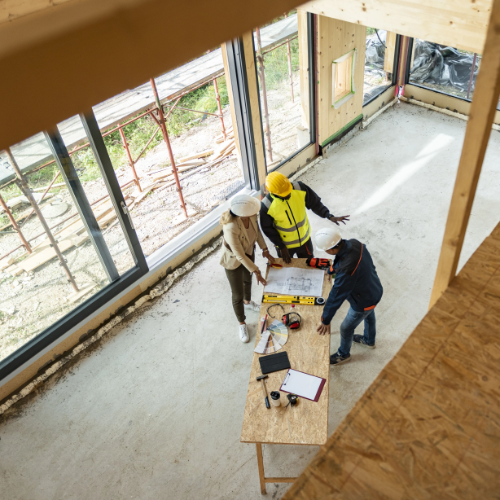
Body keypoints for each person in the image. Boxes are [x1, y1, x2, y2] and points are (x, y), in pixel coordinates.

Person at [315, 227, 383, 365]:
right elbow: (344, 260)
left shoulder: (347, 271)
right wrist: (333, 269)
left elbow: (336, 296)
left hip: (362, 301)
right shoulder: (355, 243)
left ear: (331, 249)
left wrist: (325, 320)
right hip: (374, 290)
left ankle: (343, 354)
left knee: (346, 328)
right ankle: (369, 340)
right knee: (369, 315)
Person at [220, 194, 275, 343]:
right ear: (242, 213)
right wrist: (257, 271)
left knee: (247, 280)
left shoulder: (251, 216)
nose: (255, 213)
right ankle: (242, 323)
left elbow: (257, 234)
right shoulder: (230, 227)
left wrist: (265, 249)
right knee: (237, 293)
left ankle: (248, 302)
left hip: (248, 252)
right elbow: (239, 255)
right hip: (234, 260)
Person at [260, 172, 349, 263]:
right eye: (284, 194)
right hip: (285, 247)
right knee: (288, 268)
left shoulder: (300, 188)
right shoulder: (267, 205)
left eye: (289, 190)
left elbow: (315, 203)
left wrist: (328, 216)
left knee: (309, 264)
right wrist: (281, 246)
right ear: (274, 192)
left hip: (304, 241)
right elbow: (268, 229)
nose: (288, 195)